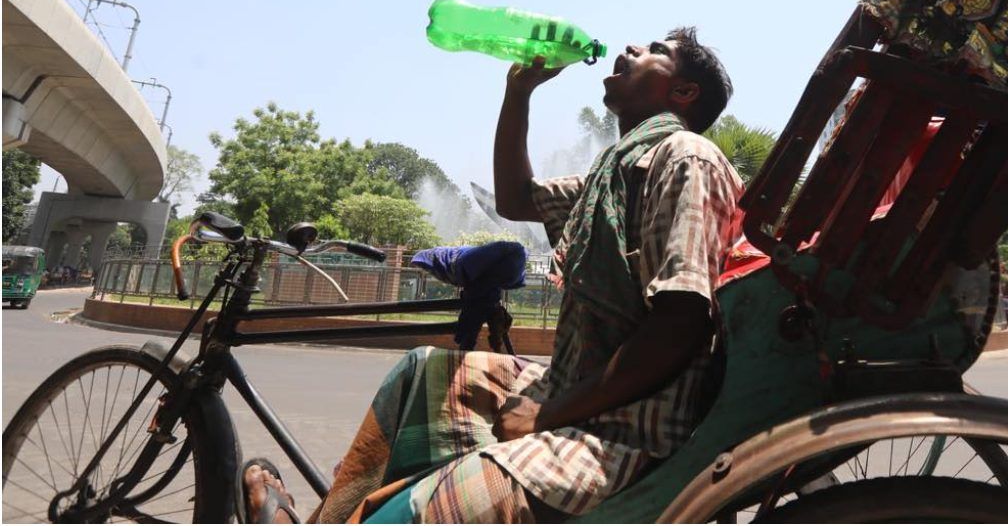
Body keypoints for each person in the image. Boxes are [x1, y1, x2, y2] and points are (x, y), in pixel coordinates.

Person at [242, 27, 744, 523]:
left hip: (623, 436)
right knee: (419, 374)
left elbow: (681, 322)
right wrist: (519, 93)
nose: (631, 47)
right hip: (574, 393)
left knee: (422, 510)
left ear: (683, 92)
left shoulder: (686, 159)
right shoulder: (614, 170)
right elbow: (515, 197)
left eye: (656, 50)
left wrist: (545, 416)